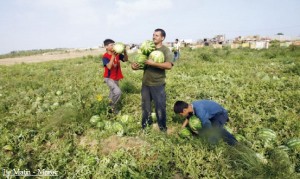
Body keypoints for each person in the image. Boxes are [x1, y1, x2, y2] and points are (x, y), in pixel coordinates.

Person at [131, 29, 173, 131]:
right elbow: (142, 65)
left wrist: (154, 63)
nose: (154, 37)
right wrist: (134, 66)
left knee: (160, 107)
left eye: (157, 35)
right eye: (153, 35)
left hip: (158, 84)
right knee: (145, 107)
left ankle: (162, 128)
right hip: (146, 83)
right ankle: (145, 127)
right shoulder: (147, 50)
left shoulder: (165, 50)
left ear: (162, 38)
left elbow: (169, 65)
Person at [102, 39, 128, 114]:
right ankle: (112, 107)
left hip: (116, 77)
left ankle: (108, 109)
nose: (113, 46)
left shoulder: (118, 54)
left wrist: (125, 51)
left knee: (112, 93)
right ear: (106, 47)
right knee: (118, 92)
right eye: (111, 45)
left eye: (114, 44)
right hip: (109, 78)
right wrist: (113, 56)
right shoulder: (105, 56)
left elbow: (125, 59)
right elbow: (109, 67)